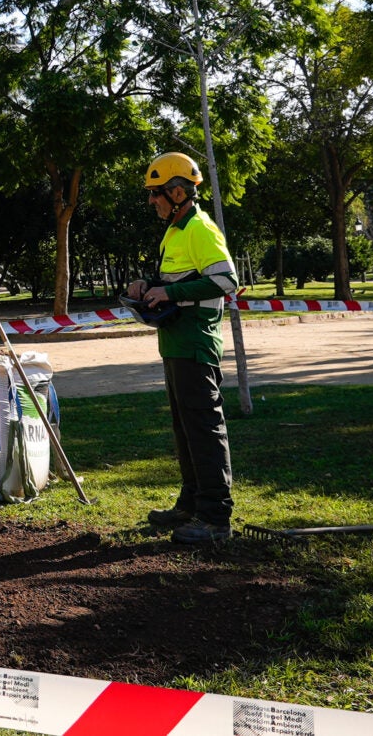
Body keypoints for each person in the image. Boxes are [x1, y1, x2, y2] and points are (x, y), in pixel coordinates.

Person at [126, 152, 239, 545]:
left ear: (177, 191)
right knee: (185, 430)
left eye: (155, 194)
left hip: (195, 345)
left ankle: (215, 517)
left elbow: (227, 281)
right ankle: (190, 505)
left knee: (204, 430)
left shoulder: (200, 228)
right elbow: (173, 278)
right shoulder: (174, 229)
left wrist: (169, 291)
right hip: (175, 343)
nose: (151, 201)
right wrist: (146, 284)